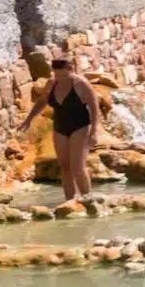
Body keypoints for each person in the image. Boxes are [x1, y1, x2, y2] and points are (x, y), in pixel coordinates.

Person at [18, 58, 98, 204]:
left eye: (63, 75)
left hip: (80, 126)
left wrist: (94, 132)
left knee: (78, 167)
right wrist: (28, 119)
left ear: (71, 70)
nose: (60, 78)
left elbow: (94, 107)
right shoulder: (52, 83)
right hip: (60, 127)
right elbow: (42, 102)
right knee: (64, 166)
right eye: (57, 74)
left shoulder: (81, 84)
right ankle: (69, 201)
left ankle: (88, 199)